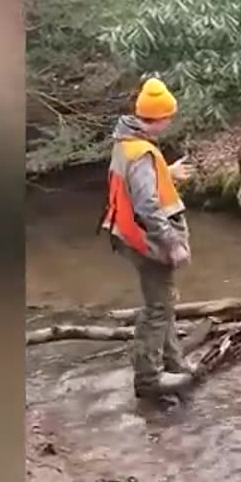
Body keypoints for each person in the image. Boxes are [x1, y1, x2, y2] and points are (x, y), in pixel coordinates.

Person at [99, 77, 196, 399]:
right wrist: (172, 243)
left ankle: (174, 364)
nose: (171, 121)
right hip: (145, 238)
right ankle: (148, 379)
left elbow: (135, 184)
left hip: (126, 234)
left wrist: (167, 172)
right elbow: (146, 204)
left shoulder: (126, 142)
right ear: (161, 117)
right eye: (169, 116)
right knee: (158, 307)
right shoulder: (141, 153)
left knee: (164, 302)